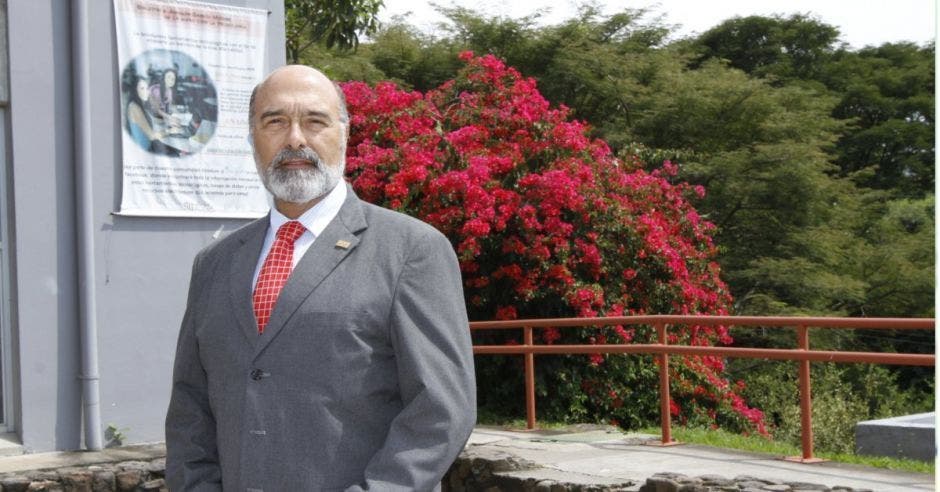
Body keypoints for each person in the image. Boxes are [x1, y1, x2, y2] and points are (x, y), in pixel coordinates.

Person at [165, 65, 477, 491]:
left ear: (344, 135)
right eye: (275, 121)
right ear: (252, 136)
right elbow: (190, 408)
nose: (295, 138)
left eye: (315, 121)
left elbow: (441, 411)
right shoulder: (214, 263)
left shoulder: (411, 250)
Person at [126, 77, 163, 151]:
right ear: (135, 90)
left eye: (147, 88)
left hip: (149, 147)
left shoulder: (140, 103)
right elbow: (152, 136)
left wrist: (168, 122)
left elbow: (152, 120)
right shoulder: (134, 107)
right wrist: (170, 131)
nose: (147, 92)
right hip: (145, 151)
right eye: (142, 88)